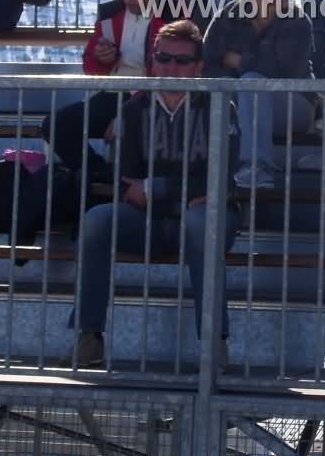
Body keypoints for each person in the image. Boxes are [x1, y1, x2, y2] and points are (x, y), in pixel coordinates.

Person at [69, 21, 239, 368]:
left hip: (205, 219)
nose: (170, 67)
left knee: (200, 222)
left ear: (198, 66)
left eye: (182, 60)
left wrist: (156, 188)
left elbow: (220, 176)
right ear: (152, 61)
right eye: (163, 58)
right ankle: (89, 338)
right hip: (148, 220)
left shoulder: (220, 105)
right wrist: (179, 191)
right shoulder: (134, 110)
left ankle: (214, 346)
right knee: (97, 220)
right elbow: (127, 181)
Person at [41, 0, 177, 177]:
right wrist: (101, 58)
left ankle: (117, 181)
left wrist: (129, 113)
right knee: (56, 125)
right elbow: (90, 68)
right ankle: (101, 176)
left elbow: (173, 75)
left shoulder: (175, 19)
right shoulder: (110, 14)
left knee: (132, 132)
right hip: (114, 95)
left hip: (156, 102)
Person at [203, 0, 315, 189]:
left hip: (293, 104)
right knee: (241, 89)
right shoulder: (228, 16)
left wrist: (240, 61)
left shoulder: (297, 20)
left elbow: (286, 72)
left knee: (252, 82)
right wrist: (239, 83)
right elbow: (207, 63)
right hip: (239, 103)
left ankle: (256, 167)